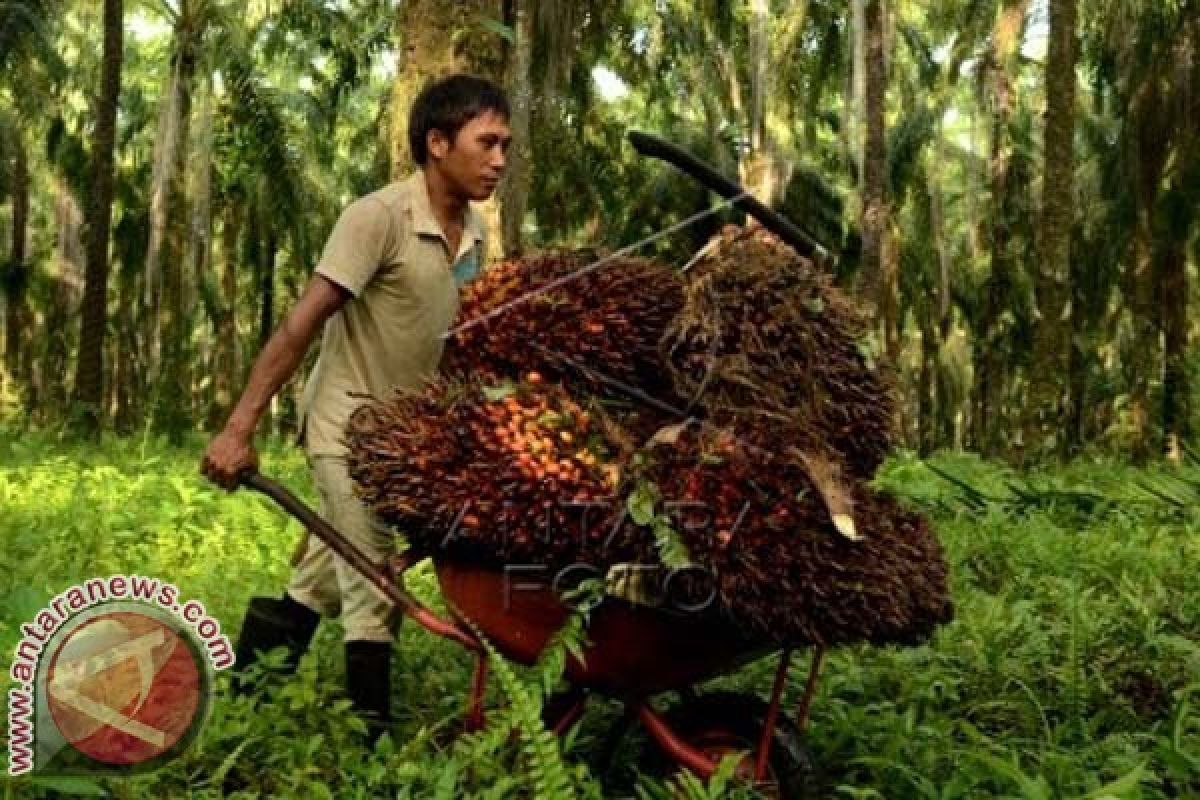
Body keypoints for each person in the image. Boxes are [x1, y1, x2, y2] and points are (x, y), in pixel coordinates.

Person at [200, 74, 512, 740]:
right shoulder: (378, 218)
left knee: (319, 579)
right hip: (345, 424)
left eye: (504, 145)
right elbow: (301, 324)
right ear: (436, 142)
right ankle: (374, 750)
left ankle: (244, 708)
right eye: (486, 143)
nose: (499, 160)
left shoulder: (477, 235)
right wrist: (238, 429)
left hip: (399, 439)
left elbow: (457, 345)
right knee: (374, 586)